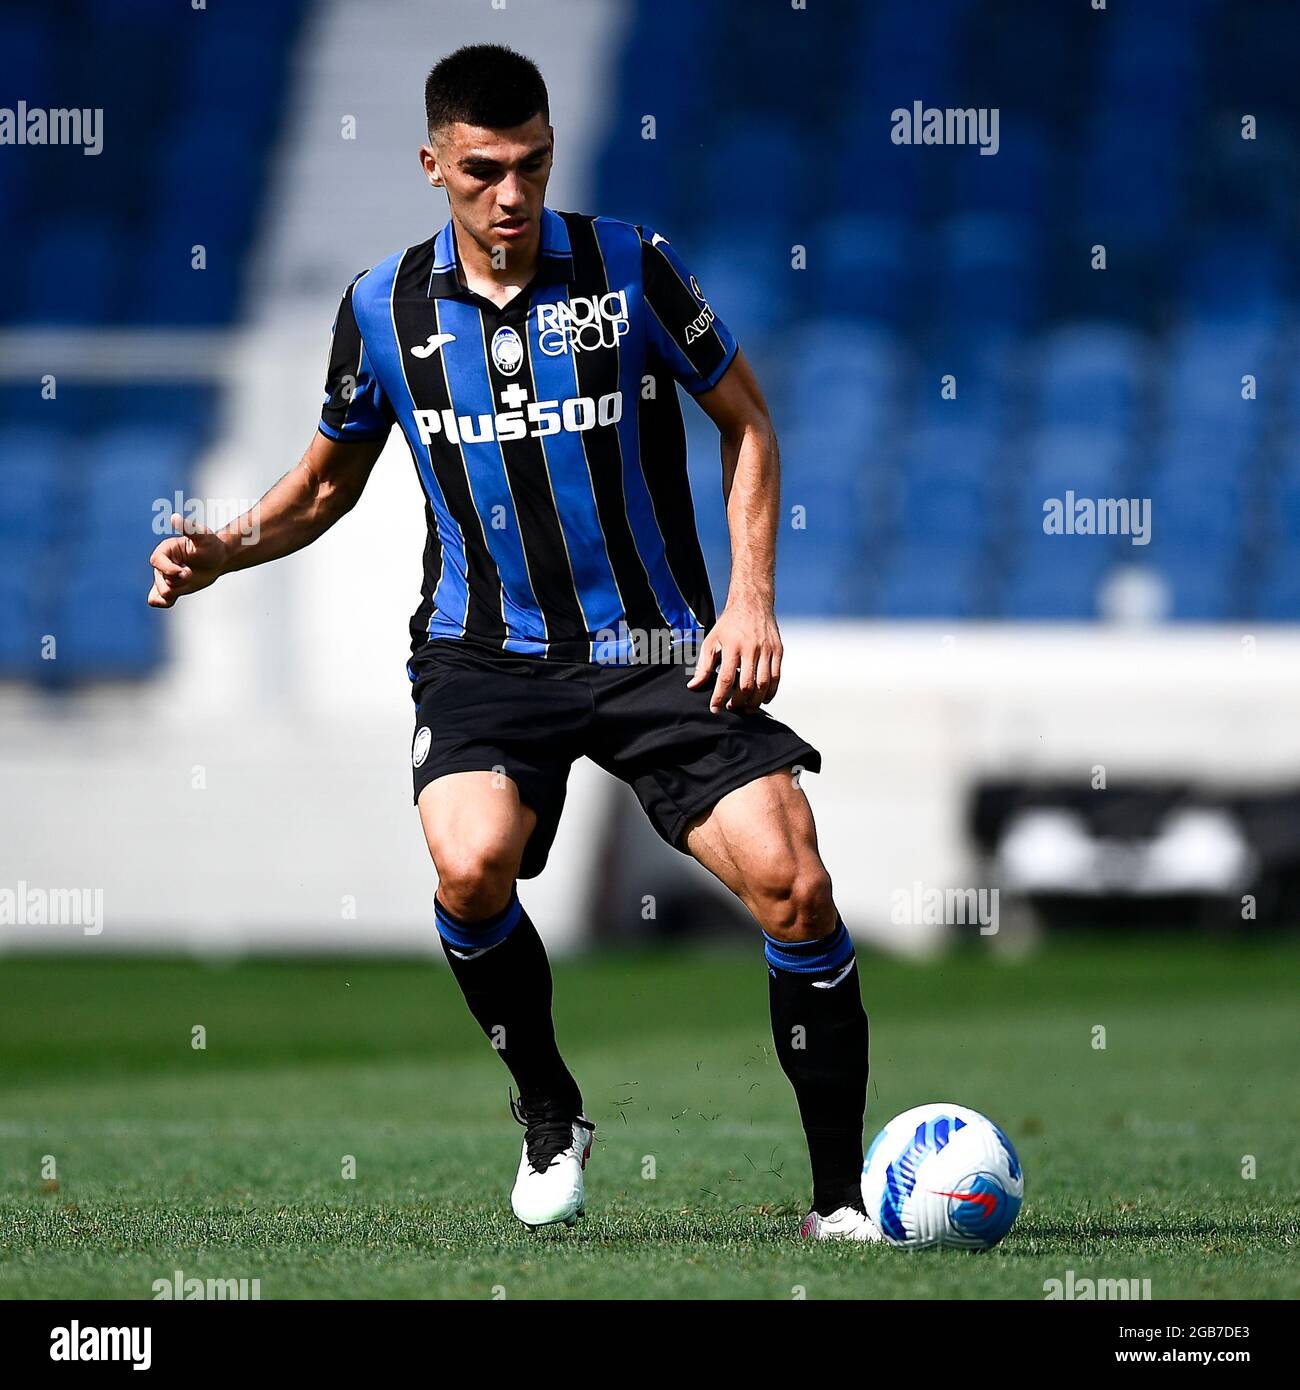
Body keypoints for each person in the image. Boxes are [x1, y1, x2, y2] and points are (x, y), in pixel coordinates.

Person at [147, 43, 876, 1241]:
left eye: (532, 164)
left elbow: (747, 425)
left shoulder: (632, 267)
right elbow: (327, 487)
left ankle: (839, 1202)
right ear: (434, 163)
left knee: (795, 883)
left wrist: (750, 599)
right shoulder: (381, 310)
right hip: (484, 655)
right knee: (469, 866)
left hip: (656, 646)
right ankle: (549, 1109)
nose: (513, 195)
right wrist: (226, 546)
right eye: (484, 170)